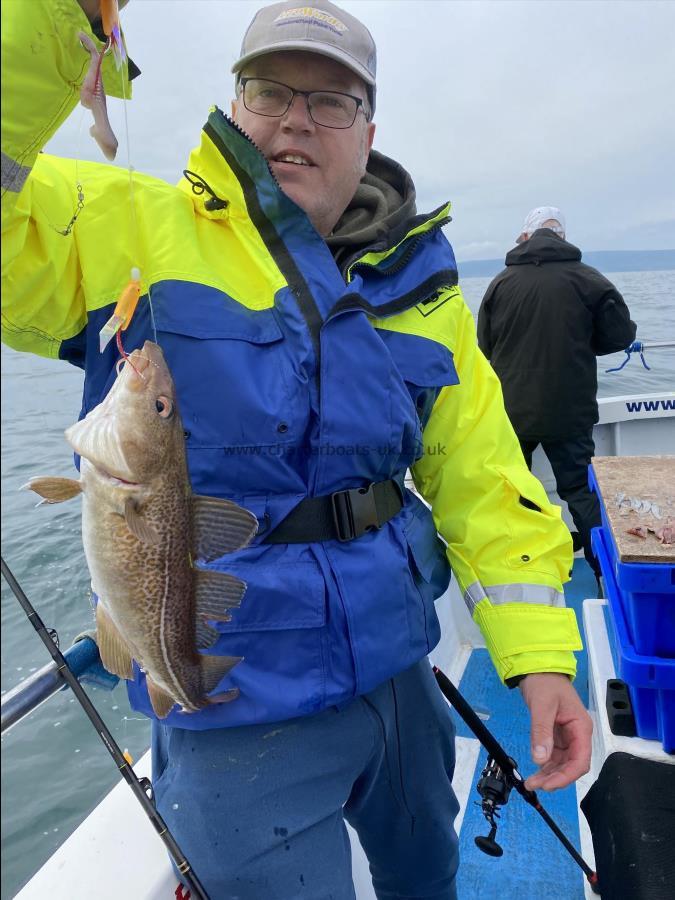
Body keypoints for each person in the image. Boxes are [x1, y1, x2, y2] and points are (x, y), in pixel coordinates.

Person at [2, 3, 593, 897]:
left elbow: (481, 476)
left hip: (402, 677)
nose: (295, 118)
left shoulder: (421, 281)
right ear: (234, 106)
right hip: (238, 711)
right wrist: (61, 17)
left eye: (331, 101)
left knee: (427, 878)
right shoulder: (124, 224)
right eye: (268, 89)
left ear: (368, 130)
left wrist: (541, 657)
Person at [477, 207, 636, 583]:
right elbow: (621, 335)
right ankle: (606, 572)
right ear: (562, 237)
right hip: (571, 410)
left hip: (513, 411)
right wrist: (580, 344)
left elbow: (484, 345)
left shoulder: (500, 283)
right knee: (581, 489)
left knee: (517, 491)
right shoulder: (590, 280)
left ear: (526, 237)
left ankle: (531, 569)